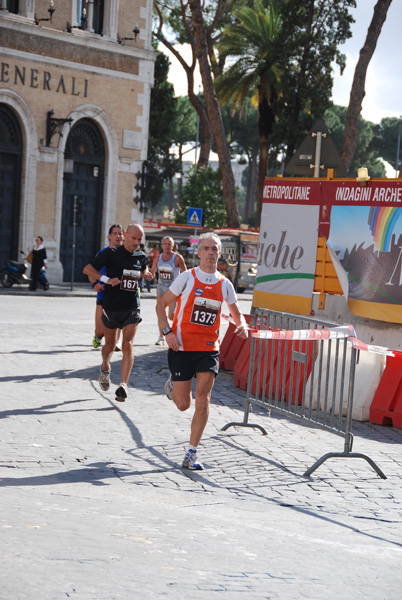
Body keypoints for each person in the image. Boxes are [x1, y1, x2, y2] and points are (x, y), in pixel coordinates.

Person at [156, 232, 248, 470]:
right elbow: (161, 305)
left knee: (203, 399)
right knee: (183, 404)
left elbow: (237, 315)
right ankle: (172, 387)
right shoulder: (186, 278)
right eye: (206, 248)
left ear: (220, 253)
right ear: (198, 253)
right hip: (182, 348)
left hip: (208, 349)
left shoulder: (225, 284)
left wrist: (242, 327)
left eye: (214, 249)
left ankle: (191, 452)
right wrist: (167, 331)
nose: (210, 253)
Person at [83, 224, 153, 402]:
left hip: (131, 307)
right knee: (109, 345)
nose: (137, 243)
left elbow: (143, 267)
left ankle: (123, 385)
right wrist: (106, 279)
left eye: (140, 239)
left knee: (128, 344)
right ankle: (105, 367)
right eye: (134, 238)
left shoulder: (141, 256)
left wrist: (146, 274)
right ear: (125, 236)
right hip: (111, 308)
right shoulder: (111, 254)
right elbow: (87, 269)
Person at [90, 224, 124, 349]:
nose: (117, 236)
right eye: (114, 233)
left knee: (118, 323)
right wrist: (95, 284)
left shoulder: (127, 255)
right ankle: (98, 336)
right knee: (100, 331)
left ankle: (117, 341)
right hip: (103, 294)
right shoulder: (102, 254)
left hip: (119, 295)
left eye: (120, 233)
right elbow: (90, 271)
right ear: (109, 236)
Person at [151, 236, 187, 345]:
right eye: (165, 244)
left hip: (173, 289)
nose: (167, 246)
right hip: (161, 287)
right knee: (160, 311)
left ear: (173, 246)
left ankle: (177, 330)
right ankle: (161, 337)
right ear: (162, 245)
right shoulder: (158, 258)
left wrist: (185, 287)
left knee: (171, 315)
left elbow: (185, 273)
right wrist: (148, 275)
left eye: (169, 244)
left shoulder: (177, 258)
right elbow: (152, 271)